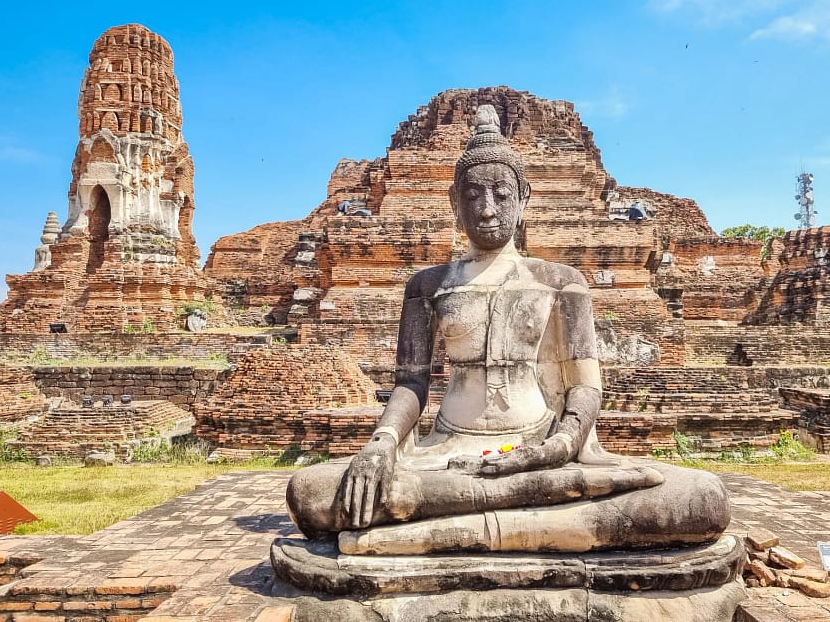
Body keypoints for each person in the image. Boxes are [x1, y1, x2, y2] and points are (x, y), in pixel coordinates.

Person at [286, 105, 728, 555]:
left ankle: (435, 531)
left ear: (524, 197)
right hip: (448, 450)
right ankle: (541, 527)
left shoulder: (561, 281)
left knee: (701, 500)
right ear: (454, 203)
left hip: (540, 446)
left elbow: (585, 387)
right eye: (473, 195)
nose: (487, 208)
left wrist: (560, 445)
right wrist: (381, 445)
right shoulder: (427, 284)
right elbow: (411, 385)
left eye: (500, 193)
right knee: (311, 493)